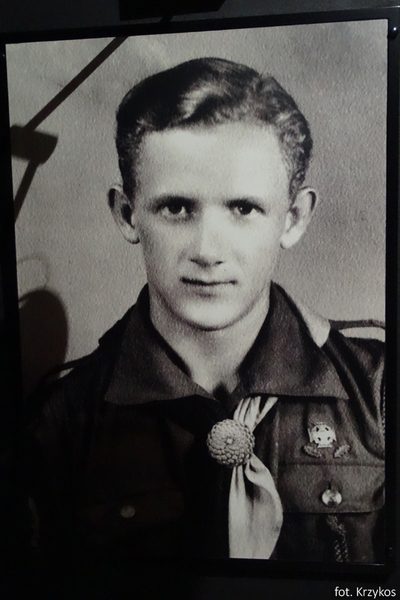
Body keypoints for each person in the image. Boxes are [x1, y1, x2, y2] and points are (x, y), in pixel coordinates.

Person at [25, 57, 385, 572]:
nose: (207, 251)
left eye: (243, 208)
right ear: (127, 215)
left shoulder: (379, 393)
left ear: (294, 218)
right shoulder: (62, 420)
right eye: (176, 208)